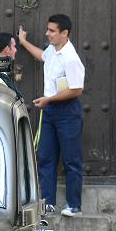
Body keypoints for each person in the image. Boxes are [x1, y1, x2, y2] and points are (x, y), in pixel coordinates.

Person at [17, 15, 85, 217]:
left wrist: (49, 100)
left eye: (52, 31)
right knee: (46, 157)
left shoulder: (71, 58)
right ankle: (47, 202)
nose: (47, 34)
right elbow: (42, 55)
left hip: (66, 111)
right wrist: (23, 42)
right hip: (50, 110)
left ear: (65, 33)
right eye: (48, 29)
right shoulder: (53, 51)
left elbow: (76, 90)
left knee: (71, 159)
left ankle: (74, 206)